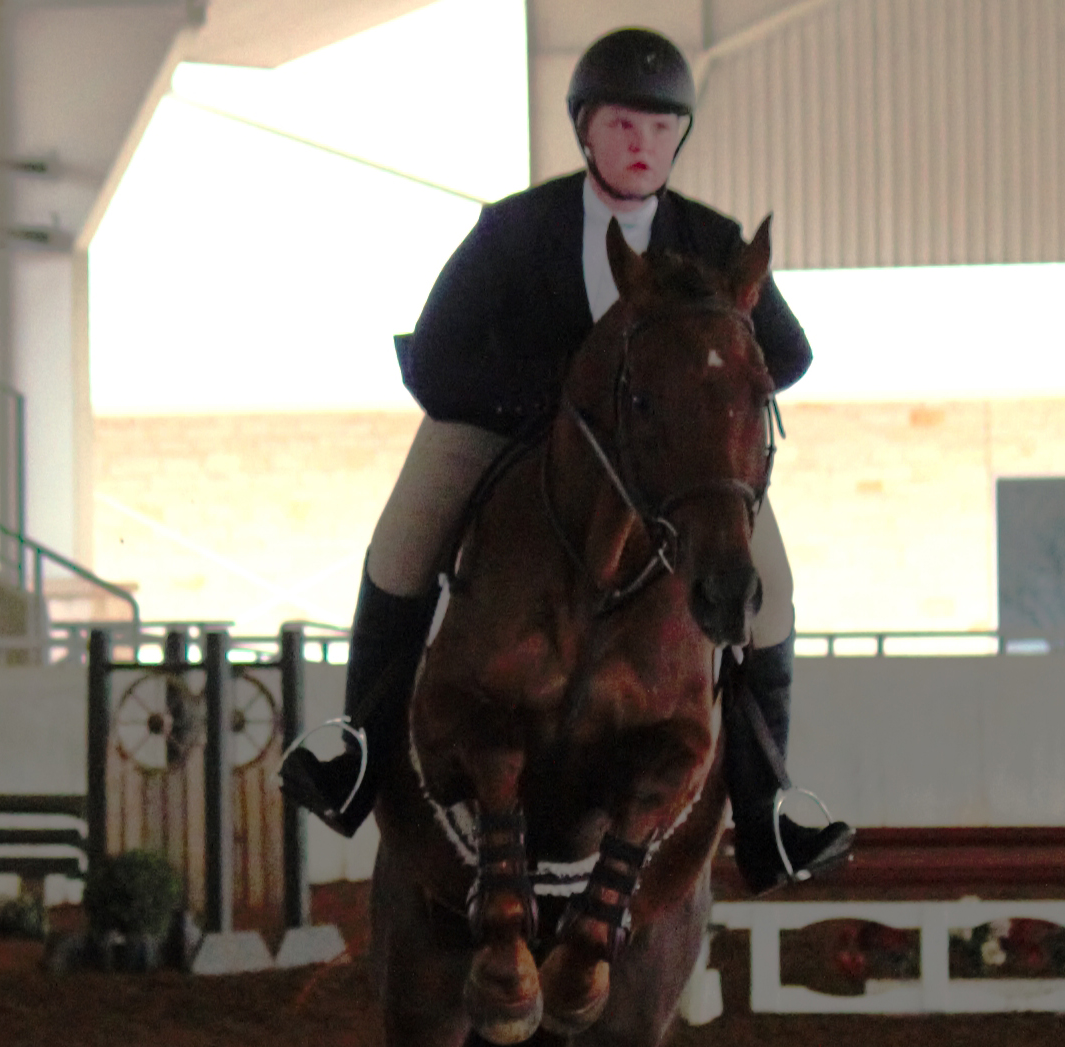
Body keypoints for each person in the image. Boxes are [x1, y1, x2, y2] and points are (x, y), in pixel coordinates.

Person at [279, 26, 854, 894]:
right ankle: (354, 747)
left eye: (661, 130)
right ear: (585, 128)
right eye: (623, 126)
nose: (641, 145)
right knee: (402, 547)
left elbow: (791, 352)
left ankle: (769, 805)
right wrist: (548, 395)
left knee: (768, 592)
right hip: (506, 429)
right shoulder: (517, 230)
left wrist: (711, 384)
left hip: (667, 458)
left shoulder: (709, 236)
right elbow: (435, 356)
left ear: (679, 139)